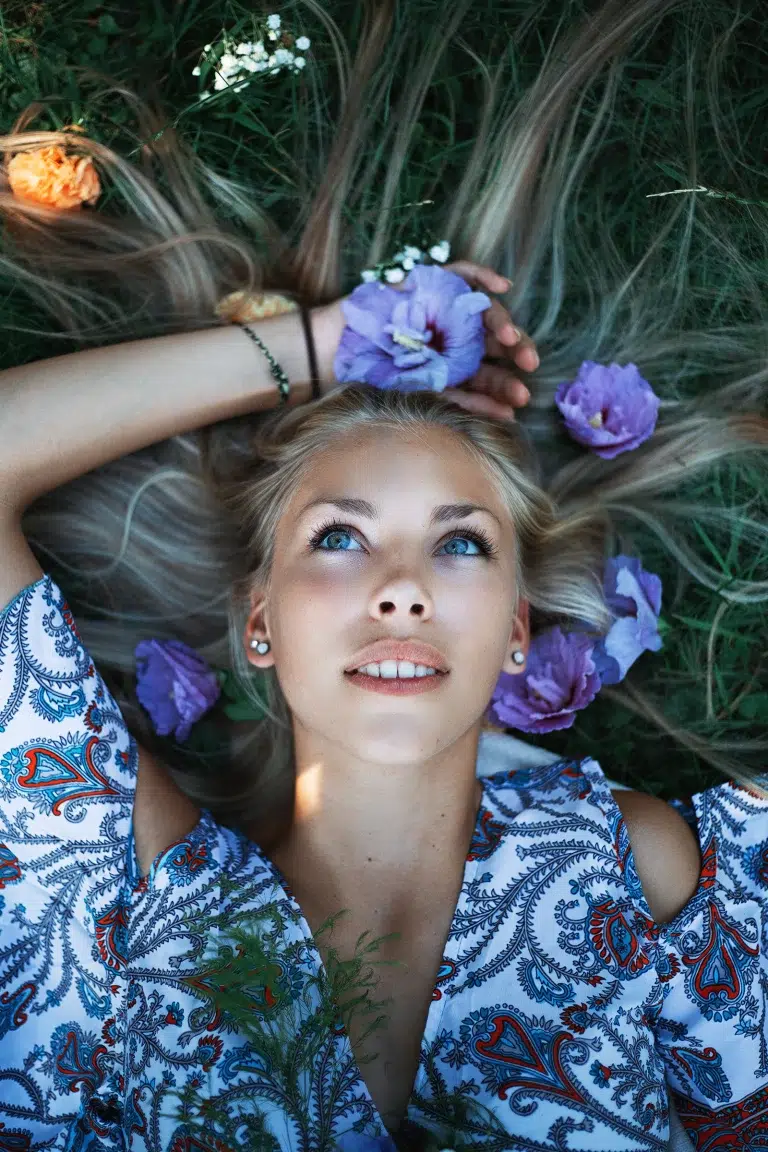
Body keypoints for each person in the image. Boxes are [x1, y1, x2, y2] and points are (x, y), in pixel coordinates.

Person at [0, 0, 766, 1149]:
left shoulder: (634, 868)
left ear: (517, 632)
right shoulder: (131, 897)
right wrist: (321, 343)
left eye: (460, 543)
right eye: (340, 539)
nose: (401, 586)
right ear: (258, 623)